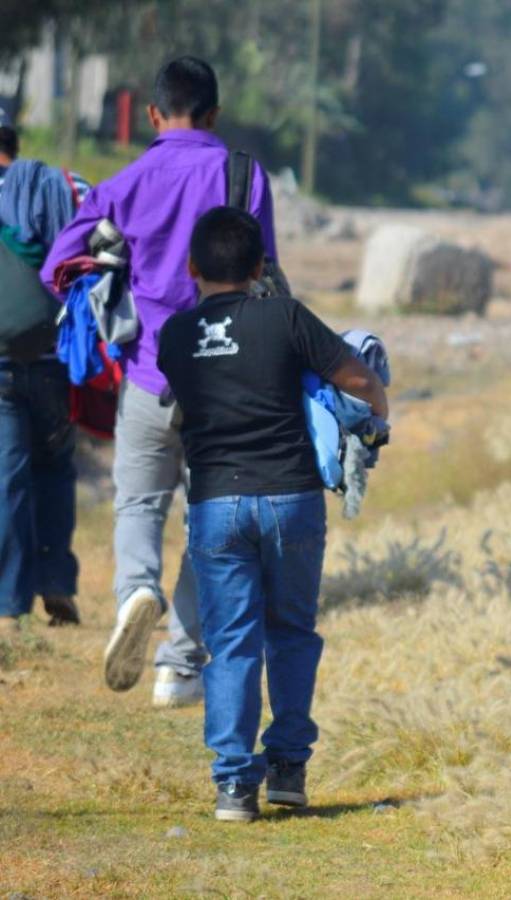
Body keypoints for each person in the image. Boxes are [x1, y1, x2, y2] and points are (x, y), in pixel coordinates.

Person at [42, 56, 279, 707]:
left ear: (152, 114)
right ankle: (178, 665)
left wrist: (114, 259)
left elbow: (58, 266)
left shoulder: (125, 181)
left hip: (149, 376)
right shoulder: (243, 175)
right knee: (212, 521)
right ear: (215, 113)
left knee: (139, 504)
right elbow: (268, 272)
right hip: (228, 386)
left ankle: (135, 592)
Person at [158, 207, 387, 822]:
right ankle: (287, 769)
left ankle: (235, 786)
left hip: (216, 505)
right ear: (260, 267)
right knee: (291, 633)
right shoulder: (285, 317)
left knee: (231, 644)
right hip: (291, 499)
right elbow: (358, 380)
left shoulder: (174, 335)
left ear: (192, 268)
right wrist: (379, 415)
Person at [0, 118, 85, 633]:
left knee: (9, 479)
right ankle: (56, 581)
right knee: (55, 469)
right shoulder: (54, 187)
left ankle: (10, 603)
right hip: (55, 355)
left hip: (1, 364)